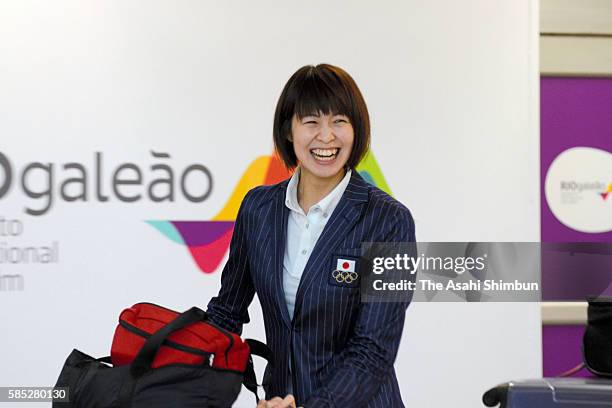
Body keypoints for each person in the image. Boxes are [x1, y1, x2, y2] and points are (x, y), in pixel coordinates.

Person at [207, 64, 416, 407]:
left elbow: (373, 350)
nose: (326, 136)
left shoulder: (389, 221)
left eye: (339, 121)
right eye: (311, 122)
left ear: (356, 129)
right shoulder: (258, 210)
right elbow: (227, 312)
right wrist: (170, 370)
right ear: (289, 130)